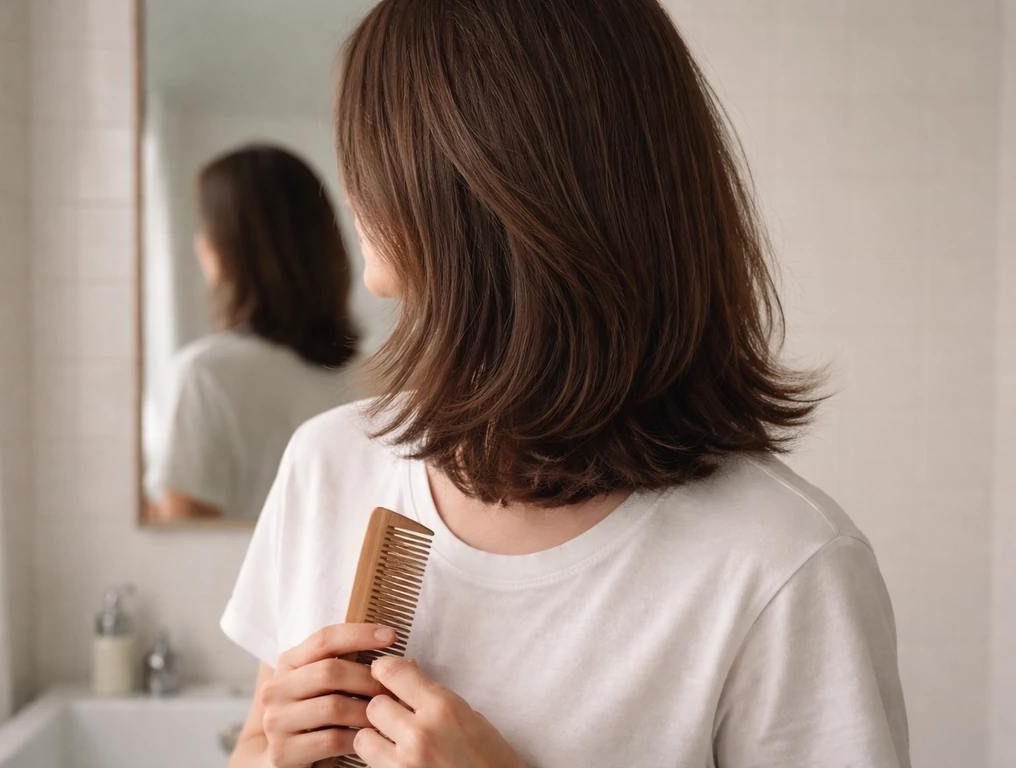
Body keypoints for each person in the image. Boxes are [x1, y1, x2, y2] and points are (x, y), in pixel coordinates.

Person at [222, 0, 910, 765]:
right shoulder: (328, 466)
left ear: (489, 184)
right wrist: (271, 753)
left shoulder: (783, 566)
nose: (351, 184)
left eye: (376, 144)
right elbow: (252, 745)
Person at [146, 145, 359, 521]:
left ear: (227, 249)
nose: (200, 243)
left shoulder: (206, 374)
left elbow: (183, 529)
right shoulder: (380, 377)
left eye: (206, 228)